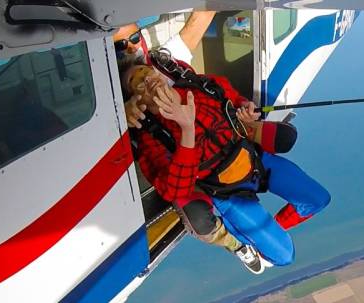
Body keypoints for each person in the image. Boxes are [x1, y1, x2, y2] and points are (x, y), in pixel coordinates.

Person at [121, 53, 330, 275]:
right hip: (226, 192)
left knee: (317, 199)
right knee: (284, 255)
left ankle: (261, 236)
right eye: (138, 84)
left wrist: (245, 108)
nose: (147, 79)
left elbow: (229, 96)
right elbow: (176, 189)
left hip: (255, 161)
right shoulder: (151, 137)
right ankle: (250, 241)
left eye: (146, 72)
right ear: (137, 102)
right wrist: (186, 129)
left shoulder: (198, 86)